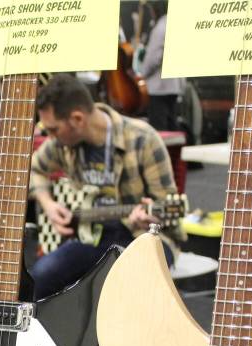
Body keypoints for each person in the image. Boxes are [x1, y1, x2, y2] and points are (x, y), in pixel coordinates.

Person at [30, 75, 182, 299]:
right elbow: (34, 170)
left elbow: (168, 209)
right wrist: (48, 204)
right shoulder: (63, 144)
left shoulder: (143, 139)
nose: (50, 137)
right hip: (90, 236)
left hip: (143, 236)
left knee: (128, 291)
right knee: (37, 279)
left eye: (54, 130)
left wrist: (150, 218)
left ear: (78, 119)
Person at [138, 13, 185, 132]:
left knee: (160, 132)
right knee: (172, 129)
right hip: (174, 86)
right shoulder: (176, 24)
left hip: (159, 87)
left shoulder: (160, 27)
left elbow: (154, 58)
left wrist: (142, 73)